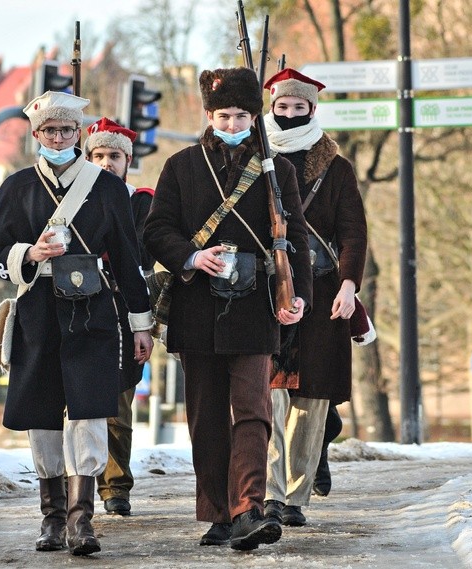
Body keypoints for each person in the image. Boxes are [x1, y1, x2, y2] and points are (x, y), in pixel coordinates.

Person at [0, 91, 154, 556]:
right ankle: (52, 520)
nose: (58, 137)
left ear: (80, 134)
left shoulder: (107, 186)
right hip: (37, 313)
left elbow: (130, 260)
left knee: (90, 414)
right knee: (43, 418)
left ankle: (82, 522)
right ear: (36, 135)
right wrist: (29, 254)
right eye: (49, 131)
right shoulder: (16, 187)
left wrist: (140, 323)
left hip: (92, 312)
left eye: (67, 130)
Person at [143, 67, 313, 551]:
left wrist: (296, 295)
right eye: (225, 115)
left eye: (242, 115)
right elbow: (157, 231)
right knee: (207, 417)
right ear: (209, 115)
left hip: (256, 308)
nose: (234, 124)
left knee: (254, 412)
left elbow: (294, 240)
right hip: (198, 307)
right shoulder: (180, 166)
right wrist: (194, 257)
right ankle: (217, 513)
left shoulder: (278, 170)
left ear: (254, 117)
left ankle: (249, 509)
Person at [261, 68, 368, 527]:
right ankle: (267, 493)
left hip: (323, 295)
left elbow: (353, 232)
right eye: (281, 107)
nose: (288, 114)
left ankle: (294, 496)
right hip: (265, 291)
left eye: (298, 107)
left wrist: (349, 285)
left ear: (312, 109)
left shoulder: (335, 167)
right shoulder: (254, 158)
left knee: (310, 401)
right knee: (266, 393)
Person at [84, 117, 155, 517]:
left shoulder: (140, 201)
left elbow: (141, 254)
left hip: (124, 305)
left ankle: (114, 486)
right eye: (98, 155)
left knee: (117, 402)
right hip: (77, 303)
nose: (106, 162)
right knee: (71, 402)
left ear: (127, 160)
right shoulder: (71, 196)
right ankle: (73, 483)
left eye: (114, 156)